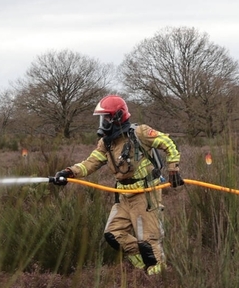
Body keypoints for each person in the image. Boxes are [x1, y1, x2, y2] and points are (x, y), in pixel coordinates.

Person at [54, 95, 182, 275]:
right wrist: (69, 172)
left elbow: (168, 143)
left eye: (106, 117)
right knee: (113, 235)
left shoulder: (140, 133)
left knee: (148, 240)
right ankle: (143, 268)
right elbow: (91, 163)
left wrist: (173, 169)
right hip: (123, 196)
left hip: (145, 194)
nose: (103, 122)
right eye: (102, 118)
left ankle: (158, 278)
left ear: (118, 116)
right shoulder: (106, 143)